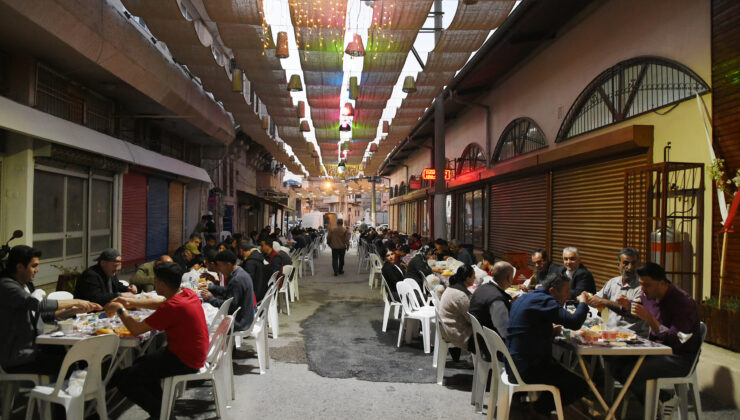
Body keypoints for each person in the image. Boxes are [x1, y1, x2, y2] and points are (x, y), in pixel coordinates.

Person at [105, 262, 209, 419]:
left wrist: (120, 309)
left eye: (156, 281)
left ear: (162, 283)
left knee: (125, 379)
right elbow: (161, 304)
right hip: (193, 354)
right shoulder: (186, 293)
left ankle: (160, 414)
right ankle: (163, 412)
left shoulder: (173, 307)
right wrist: (130, 302)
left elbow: (136, 329)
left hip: (185, 360)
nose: (154, 284)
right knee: (142, 363)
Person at [611, 262, 701, 410]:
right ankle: (660, 400)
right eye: (641, 284)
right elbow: (637, 306)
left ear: (662, 283)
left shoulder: (683, 303)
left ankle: (661, 404)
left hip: (678, 358)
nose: (643, 289)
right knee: (614, 362)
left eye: (647, 285)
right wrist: (627, 305)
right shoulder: (648, 295)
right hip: (653, 350)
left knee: (630, 372)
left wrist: (650, 319)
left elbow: (677, 340)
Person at [0, 246, 101, 375]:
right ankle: (64, 387)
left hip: (34, 348)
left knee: (80, 356)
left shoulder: (25, 285)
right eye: (34, 266)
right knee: (70, 364)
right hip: (18, 358)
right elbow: (38, 305)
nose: (37, 270)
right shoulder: (6, 286)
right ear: (20, 267)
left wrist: (72, 311)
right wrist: (76, 301)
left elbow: (40, 316)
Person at [506, 273, 590, 418]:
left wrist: (549, 332)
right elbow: (574, 322)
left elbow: (527, 328)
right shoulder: (545, 300)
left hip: (513, 362)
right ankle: (538, 409)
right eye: (566, 291)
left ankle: (535, 407)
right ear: (552, 291)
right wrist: (583, 303)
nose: (568, 296)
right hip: (526, 368)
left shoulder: (527, 296)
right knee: (580, 386)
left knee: (558, 369)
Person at [585, 248, 646, 335]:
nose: (630, 267)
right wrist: (587, 297)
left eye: (633, 263)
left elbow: (635, 313)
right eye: (626, 263)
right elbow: (597, 300)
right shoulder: (612, 282)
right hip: (610, 333)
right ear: (618, 265)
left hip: (632, 336)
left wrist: (606, 302)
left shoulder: (642, 287)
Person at [199, 250, 255, 331]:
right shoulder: (239, 272)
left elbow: (230, 305)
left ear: (228, 265)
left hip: (240, 322)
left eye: (219, 265)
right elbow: (228, 290)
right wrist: (211, 287)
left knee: (204, 321)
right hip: (245, 317)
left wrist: (210, 298)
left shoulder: (237, 279)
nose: (219, 269)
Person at [469, 261, 515, 358]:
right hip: (493, 348)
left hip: (478, 340)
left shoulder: (482, 288)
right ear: (509, 278)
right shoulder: (497, 301)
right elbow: (505, 332)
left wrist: (507, 304)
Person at [439, 264, 475, 355]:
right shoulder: (461, 295)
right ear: (467, 278)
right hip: (455, 332)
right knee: (487, 336)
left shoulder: (451, 288)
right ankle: (479, 361)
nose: (475, 278)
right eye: (473, 276)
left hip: (447, 327)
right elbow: (471, 319)